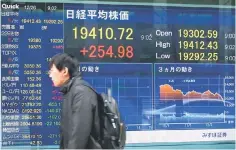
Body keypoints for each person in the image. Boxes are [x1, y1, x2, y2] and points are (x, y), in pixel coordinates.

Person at [48, 53, 102, 149]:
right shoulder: (69, 91)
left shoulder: (81, 92)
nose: (50, 75)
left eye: (52, 71)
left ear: (64, 71)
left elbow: (79, 134)